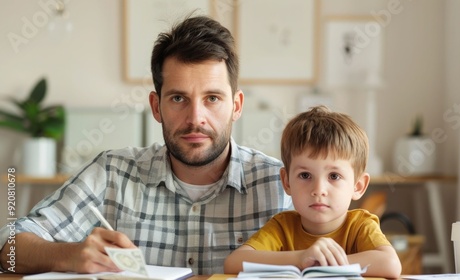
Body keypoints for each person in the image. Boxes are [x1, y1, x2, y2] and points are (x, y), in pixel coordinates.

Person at [0, 15, 292, 275]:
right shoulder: (113, 173)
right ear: (156, 106)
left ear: (236, 106)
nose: (195, 118)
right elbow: (8, 245)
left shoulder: (282, 185)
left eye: (212, 98)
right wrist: (69, 255)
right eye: (178, 98)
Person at [224, 106, 402, 278]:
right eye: (305, 175)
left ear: (358, 186)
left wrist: (325, 264)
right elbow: (233, 263)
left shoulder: (360, 225)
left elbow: (391, 264)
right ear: (286, 182)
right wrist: (302, 258)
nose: (318, 190)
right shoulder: (281, 226)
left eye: (334, 176)